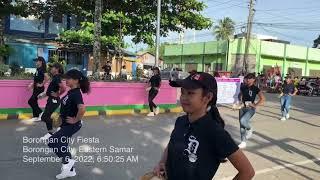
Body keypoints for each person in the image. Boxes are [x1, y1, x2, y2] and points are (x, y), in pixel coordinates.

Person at [153, 72, 255, 180]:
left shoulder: (215, 132)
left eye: (190, 93)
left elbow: (247, 172)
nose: (183, 97)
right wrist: (162, 162)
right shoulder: (180, 121)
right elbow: (172, 143)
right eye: (182, 92)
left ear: (207, 97)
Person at [48, 69, 90, 179]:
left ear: (76, 80)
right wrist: (59, 121)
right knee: (64, 147)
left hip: (72, 125)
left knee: (52, 141)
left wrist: (76, 120)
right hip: (65, 125)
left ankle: (68, 162)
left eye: (68, 78)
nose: (65, 80)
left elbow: (82, 109)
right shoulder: (71, 92)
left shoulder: (76, 93)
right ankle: (70, 171)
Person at [39, 63, 66, 140]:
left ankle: (52, 132)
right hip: (51, 100)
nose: (51, 69)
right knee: (45, 116)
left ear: (57, 69)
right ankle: (57, 128)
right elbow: (51, 91)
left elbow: (63, 88)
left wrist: (57, 94)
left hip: (53, 100)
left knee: (45, 116)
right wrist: (43, 95)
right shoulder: (55, 78)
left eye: (52, 67)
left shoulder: (57, 78)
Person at [238, 73, 265, 149]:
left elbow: (262, 98)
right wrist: (240, 101)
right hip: (242, 107)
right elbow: (240, 95)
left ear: (253, 79)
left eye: (250, 78)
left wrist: (255, 105)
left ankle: (250, 128)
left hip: (250, 109)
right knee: (241, 125)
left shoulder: (255, 88)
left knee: (243, 121)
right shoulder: (243, 87)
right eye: (247, 78)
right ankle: (243, 142)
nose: (248, 80)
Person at [27, 57, 48, 121]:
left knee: (31, 101)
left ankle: (41, 113)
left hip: (39, 88)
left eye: (37, 61)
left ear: (40, 62)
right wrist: (32, 85)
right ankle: (36, 116)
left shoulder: (42, 69)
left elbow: (47, 77)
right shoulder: (38, 69)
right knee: (34, 102)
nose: (36, 62)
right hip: (36, 88)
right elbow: (36, 79)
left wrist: (41, 84)